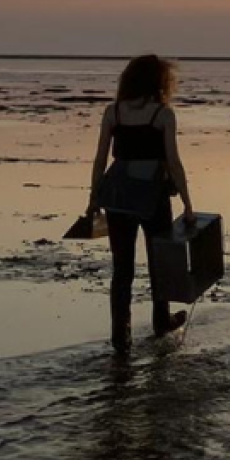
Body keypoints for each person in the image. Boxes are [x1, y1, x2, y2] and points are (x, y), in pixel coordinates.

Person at [86, 54, 195, 353]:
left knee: (122, 269)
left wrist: (93, 198)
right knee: (159, 259)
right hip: (152, 194)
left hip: (118, 193)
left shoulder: (114, 112)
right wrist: (187, 203)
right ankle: (161, 320)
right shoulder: (162, 115)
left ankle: (120, 333)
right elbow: (173, 161)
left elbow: (100, 159)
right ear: (159, 82)